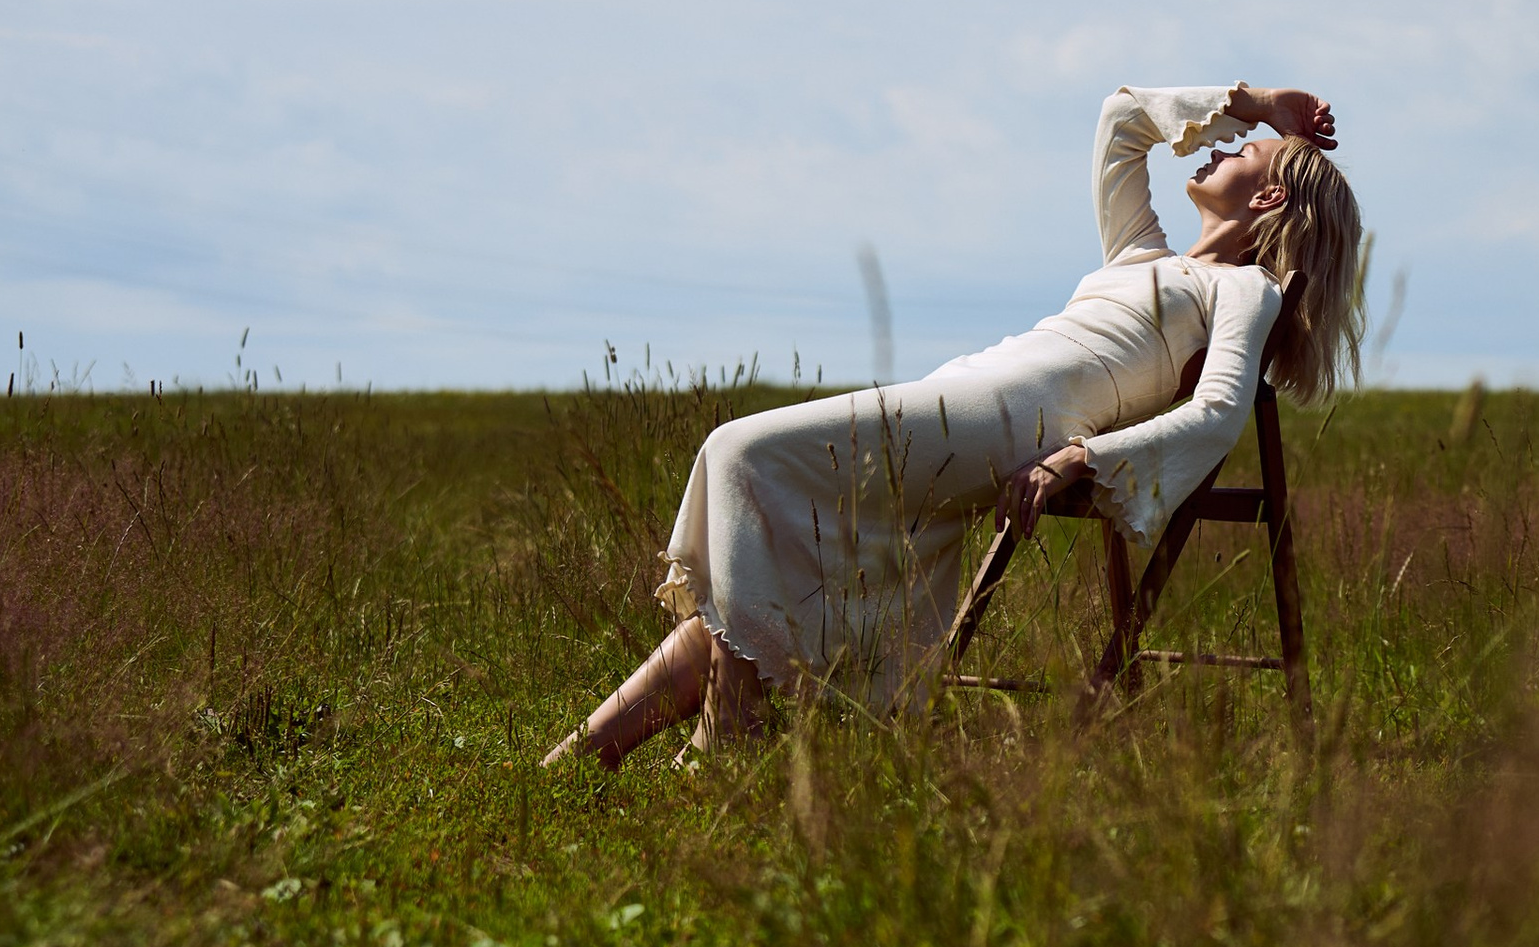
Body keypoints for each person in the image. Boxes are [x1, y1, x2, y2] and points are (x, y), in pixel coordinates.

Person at [545, 80, 1363, 765]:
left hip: (1002, 422)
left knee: (736, 453)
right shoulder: (1142, 257)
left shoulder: (1241, 292)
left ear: (1267, 196)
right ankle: (573, 768)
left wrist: (1084, 455)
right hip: (959, 397)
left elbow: (1219, 411)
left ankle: (734, 743)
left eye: (1241, 149)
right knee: (753, 570)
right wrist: (1254, 102)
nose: (1218, 145)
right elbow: (1121, 121)